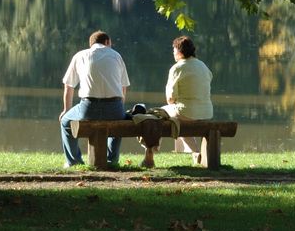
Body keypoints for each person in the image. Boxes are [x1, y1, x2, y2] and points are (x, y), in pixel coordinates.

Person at [59, 30, 130, 167]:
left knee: (66, 122)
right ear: (107, 42)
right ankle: (111, 160)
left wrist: (66, 109)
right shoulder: (116, 56)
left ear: (91, 44)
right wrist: (119, 107)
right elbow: (123, 88)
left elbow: (69, 86)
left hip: (88, 108)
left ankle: (73, 161)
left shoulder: (80, 56)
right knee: (119, 120)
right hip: (114, 107)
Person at [141, 35, 213, 167]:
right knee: (179, 120)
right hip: (206, 112)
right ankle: (196, 154)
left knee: (153, 114)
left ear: (179, 52)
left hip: (186, 112)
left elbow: (170, 99)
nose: (173, 53)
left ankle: (150, 154)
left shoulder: (177, 68)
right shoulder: (203, 66)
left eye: (174, 51)